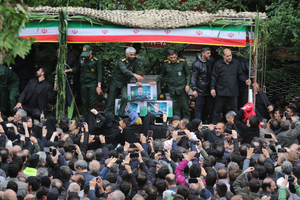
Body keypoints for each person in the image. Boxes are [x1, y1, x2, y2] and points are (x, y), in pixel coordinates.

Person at [211, 48, 251, 124]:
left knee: (234, 110)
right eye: (227, 56)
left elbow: (240, 74)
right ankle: (216, 126)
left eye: (230, 55)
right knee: (217, 110)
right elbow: (214, 77)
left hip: (233, 90)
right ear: (223, 56)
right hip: (220, 90)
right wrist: (212, 88)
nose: (229, 57)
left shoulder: (236, 63)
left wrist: (245, 80)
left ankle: (236, 125)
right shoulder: (218, 64)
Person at [149, 49, 190, 120]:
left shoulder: (182, 62)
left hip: (182, 87)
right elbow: (162, 74)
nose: (173, 59)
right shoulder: (166, 63)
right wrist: (156, 81)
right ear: (168, 57)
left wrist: (188, 85)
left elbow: (188, 74)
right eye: (171, 57)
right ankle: (177, 121)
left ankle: (187, 122)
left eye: (174, 57)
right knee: (175, 106)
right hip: (172, 88)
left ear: (177, 55)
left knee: (185, 106)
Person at [64, 45, 102, 117]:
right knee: (84, 102)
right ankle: (85, 118)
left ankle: (92, 118)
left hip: (92, 83)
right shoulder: (81, 59)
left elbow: (100, 74)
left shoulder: (96, 60)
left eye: (87, 53)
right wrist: (69, 70)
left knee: (92, 102)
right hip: (84, 83)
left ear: (91, 52)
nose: (85, 56)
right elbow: (77, 68)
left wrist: (99, 86)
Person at [105, 47, 143, 116]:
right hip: (116, 82)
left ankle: (120, 116)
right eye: (131, 55)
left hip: (124, 83)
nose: (133, 56)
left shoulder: (134, 60)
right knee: (110, 101)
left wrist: (137, 80)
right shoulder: (121, 60)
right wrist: (135, 75)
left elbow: (136, 70)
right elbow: (125, 71)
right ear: (126, 54)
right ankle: (107, 118)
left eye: (134, 55)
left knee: (125, 98)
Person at [191, 46, 215, 123]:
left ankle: (210, 124)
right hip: (199, 89)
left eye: (210, 53)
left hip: (209, 88)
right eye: (208, 53)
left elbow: (213, 74)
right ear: (202, 53)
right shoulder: (196, 64)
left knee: (211, 107)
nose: (209, 54)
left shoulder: (211, 60)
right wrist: (194, 89)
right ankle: (198, 124)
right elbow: (194, 77)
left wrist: (213, 87)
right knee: (198, 107)